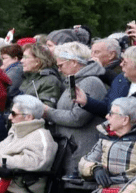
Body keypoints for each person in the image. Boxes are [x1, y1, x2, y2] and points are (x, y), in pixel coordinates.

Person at [45, 41, 107, 175]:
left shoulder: (91, 82)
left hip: (83, 153)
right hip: (70, 151)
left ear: (73, 62)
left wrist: (48, 113)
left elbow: (77, 118)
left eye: (61, 65)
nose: (59, 70)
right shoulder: (73, 82)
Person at [18, 41, 63, 106]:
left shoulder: (49, 81)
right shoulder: (29, 77)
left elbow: (45, 109)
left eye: (25, 57)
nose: (21, 61)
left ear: (38, 61)